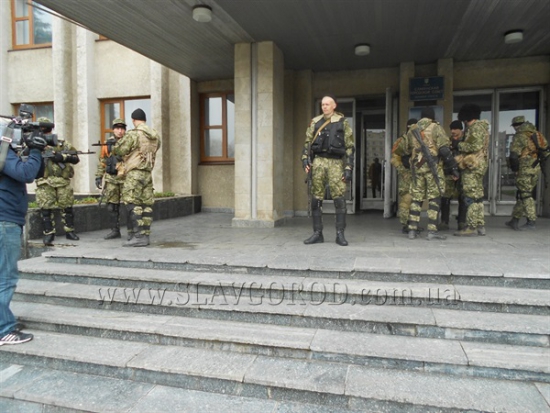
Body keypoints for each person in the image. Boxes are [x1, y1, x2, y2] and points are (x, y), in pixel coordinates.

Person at [0, 128, 46, 345]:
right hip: (4, 221)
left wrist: (36, 153)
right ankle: (3, 330)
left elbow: (35, 171)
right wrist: (35, 150)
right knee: (5, 278)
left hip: (5, 220)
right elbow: (26, 174)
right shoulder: (1, 151)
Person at [301, 95, 355, 246]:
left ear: (334, 106)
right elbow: (307, 144)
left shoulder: (342, 123)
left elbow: (350, 147)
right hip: (318, 163)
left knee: (339, 198)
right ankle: (317, 233)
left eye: (327, 104)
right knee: (316, 199)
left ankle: (340, 234)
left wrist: (348, 167)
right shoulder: (315, 122)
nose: (324, 107)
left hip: (336, 164)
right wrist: (305, 160)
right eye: (323, 104)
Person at [399, 107, 458, 241]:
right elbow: (444, 149)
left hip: (417, 168)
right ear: (432, 117)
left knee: (416, 198)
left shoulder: (411, 130)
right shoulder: (436, 128)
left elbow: (406, 151)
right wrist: (453, 167)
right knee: (434, 198)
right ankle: (432, 230)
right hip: (433, 167)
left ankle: (412, 230)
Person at [113, 108, 161, 247]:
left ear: (134, 120)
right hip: (147, 173)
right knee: (146, 205)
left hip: (134, 173)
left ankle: (138, 235)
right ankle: (145, 235)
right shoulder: (155, 135)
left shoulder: (133, 134)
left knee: (132, 203)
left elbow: (120, 150)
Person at [35, 118, 80, 245]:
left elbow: (75, 158)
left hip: (62, 181)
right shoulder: (35, 144)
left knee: (67, 207)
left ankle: (70, 231)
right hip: (45, 181)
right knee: (45, 209)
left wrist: (61, 157)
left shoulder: (61, 144)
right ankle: (48, 233)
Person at [505, 115, 549, 230]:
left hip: (524, 168)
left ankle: (531, 221)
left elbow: (514, 156)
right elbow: (546, 152)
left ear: (516, 125)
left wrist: (515, 169)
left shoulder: (520, 136)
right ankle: (514, 220)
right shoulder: (537, 134)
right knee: (522, 194)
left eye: (514, 126)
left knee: (525, 194)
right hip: (535, 167)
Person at [454, 104, 490, 237]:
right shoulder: (482, 127)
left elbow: (474, 145)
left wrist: (459, 144)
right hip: (479, 164)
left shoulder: (475, 128)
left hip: (472, 165)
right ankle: (480, 225)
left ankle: (471, 226)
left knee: (471, 196)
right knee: (478, 196)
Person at [95, 118, 127, 239]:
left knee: (131, 204)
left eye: (122, 128)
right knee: (112, 206)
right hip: (111, 179)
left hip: (125, 178)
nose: (120, 131)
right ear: (113, 130)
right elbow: (102, 161)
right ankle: (115, 230)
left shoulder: (129, 142)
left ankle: (134, 230)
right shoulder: (107, 144)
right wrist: (98, 176)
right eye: (117, 128)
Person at [439, 120, 466, 231]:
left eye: (455, 129)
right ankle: (444, 222)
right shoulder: (448, 142)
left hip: (463, 173)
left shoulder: (466, 141)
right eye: (451, 129)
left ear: (461, 129)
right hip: (449, 173)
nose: (453, 131)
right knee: (445, 198)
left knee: (463, 198)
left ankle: (462, 222)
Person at [391, 118, 416, 233]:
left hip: (416, 174)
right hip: (406, 174)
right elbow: (395, 159)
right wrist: (403, 171)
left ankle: (413, 224)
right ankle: (406, 224)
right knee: (406, 200)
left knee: (416, 200)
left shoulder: (418, 140)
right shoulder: (401, 141)